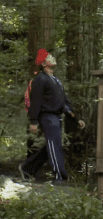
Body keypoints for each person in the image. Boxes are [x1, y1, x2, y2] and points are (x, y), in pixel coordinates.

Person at [19, 49, 85, 181]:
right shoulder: (40, 79)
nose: (53, 58)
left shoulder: (56, 81)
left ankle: (27, 168)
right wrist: (33, 122)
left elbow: (64, 102)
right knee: (55, 145)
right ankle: (60, 175)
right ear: (44, 63)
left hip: (57, 117)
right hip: (47, 117)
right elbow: (35, 101)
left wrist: (76, 118)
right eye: (50, 57)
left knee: (51, 145)